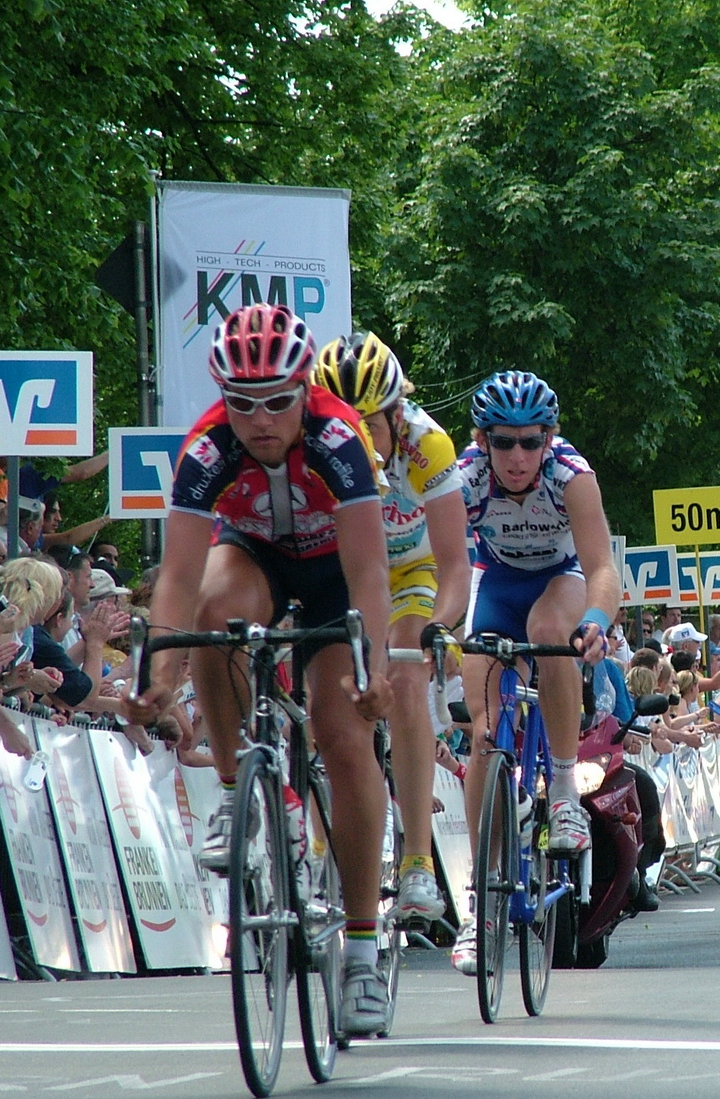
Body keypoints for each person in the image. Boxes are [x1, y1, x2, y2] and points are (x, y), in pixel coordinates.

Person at [121, 303, 398, 1036]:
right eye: (242, 403)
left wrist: (371, 666)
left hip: (335, 574)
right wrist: (159, 672)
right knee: (213, 611)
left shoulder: (340, 439)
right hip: (256, 558)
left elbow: (370, 573)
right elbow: (178, 577)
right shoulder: (207, 446)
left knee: (342, 735)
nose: (261, 420)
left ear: (305, 389)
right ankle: (234, 785)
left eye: (278, 401)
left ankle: (361, 955)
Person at [452, 370, 619, 975]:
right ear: (482, 440)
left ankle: (565, 789)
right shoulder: (464, 478)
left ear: (550, 438)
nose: (517, 455)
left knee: (551, 632)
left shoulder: (570, 475)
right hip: (495, 585)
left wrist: (595, 621)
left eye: (531, 441)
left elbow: (602, 567)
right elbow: (443, 563)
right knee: (483, 732)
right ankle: (479, 906)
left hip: (559, 580)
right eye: (503, 441)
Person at [313, 331, 472, 925]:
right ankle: (314, 841)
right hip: (344, 570)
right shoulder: (311, 443)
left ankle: (416, 863)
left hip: (412, 573)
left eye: (369, 427)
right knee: (327, 693)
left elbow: (455, 564)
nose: (355, 442)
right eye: (343, 426)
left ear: (396, 415)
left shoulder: (427, 444)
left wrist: (440, 628)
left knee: (405, 675)